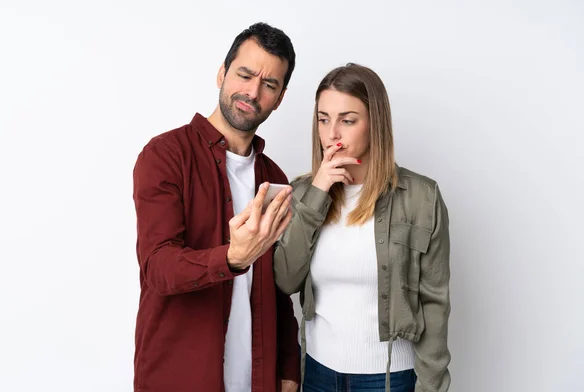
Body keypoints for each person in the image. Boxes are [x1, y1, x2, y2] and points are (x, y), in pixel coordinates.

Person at [132, 22, 300, 392]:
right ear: (222, 73)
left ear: (280, 97)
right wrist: (233, 257)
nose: (253, 92)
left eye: (269, 84)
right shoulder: (165, 156)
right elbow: (158, 268)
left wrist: (289, 368)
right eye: (244, 74)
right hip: (180, 379)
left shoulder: (274, 178)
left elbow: (278, 286)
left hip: (257, 380)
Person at [274, 63, 451, 392]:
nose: (332, 134)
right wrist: (319, 190)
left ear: (375, 124)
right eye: (323, 119)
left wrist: (431, 387)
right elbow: (285, 281)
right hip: (317, 374)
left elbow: (435, 304)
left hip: (389, 379)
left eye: (348, 120)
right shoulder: (301, 193)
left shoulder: (421, 197)